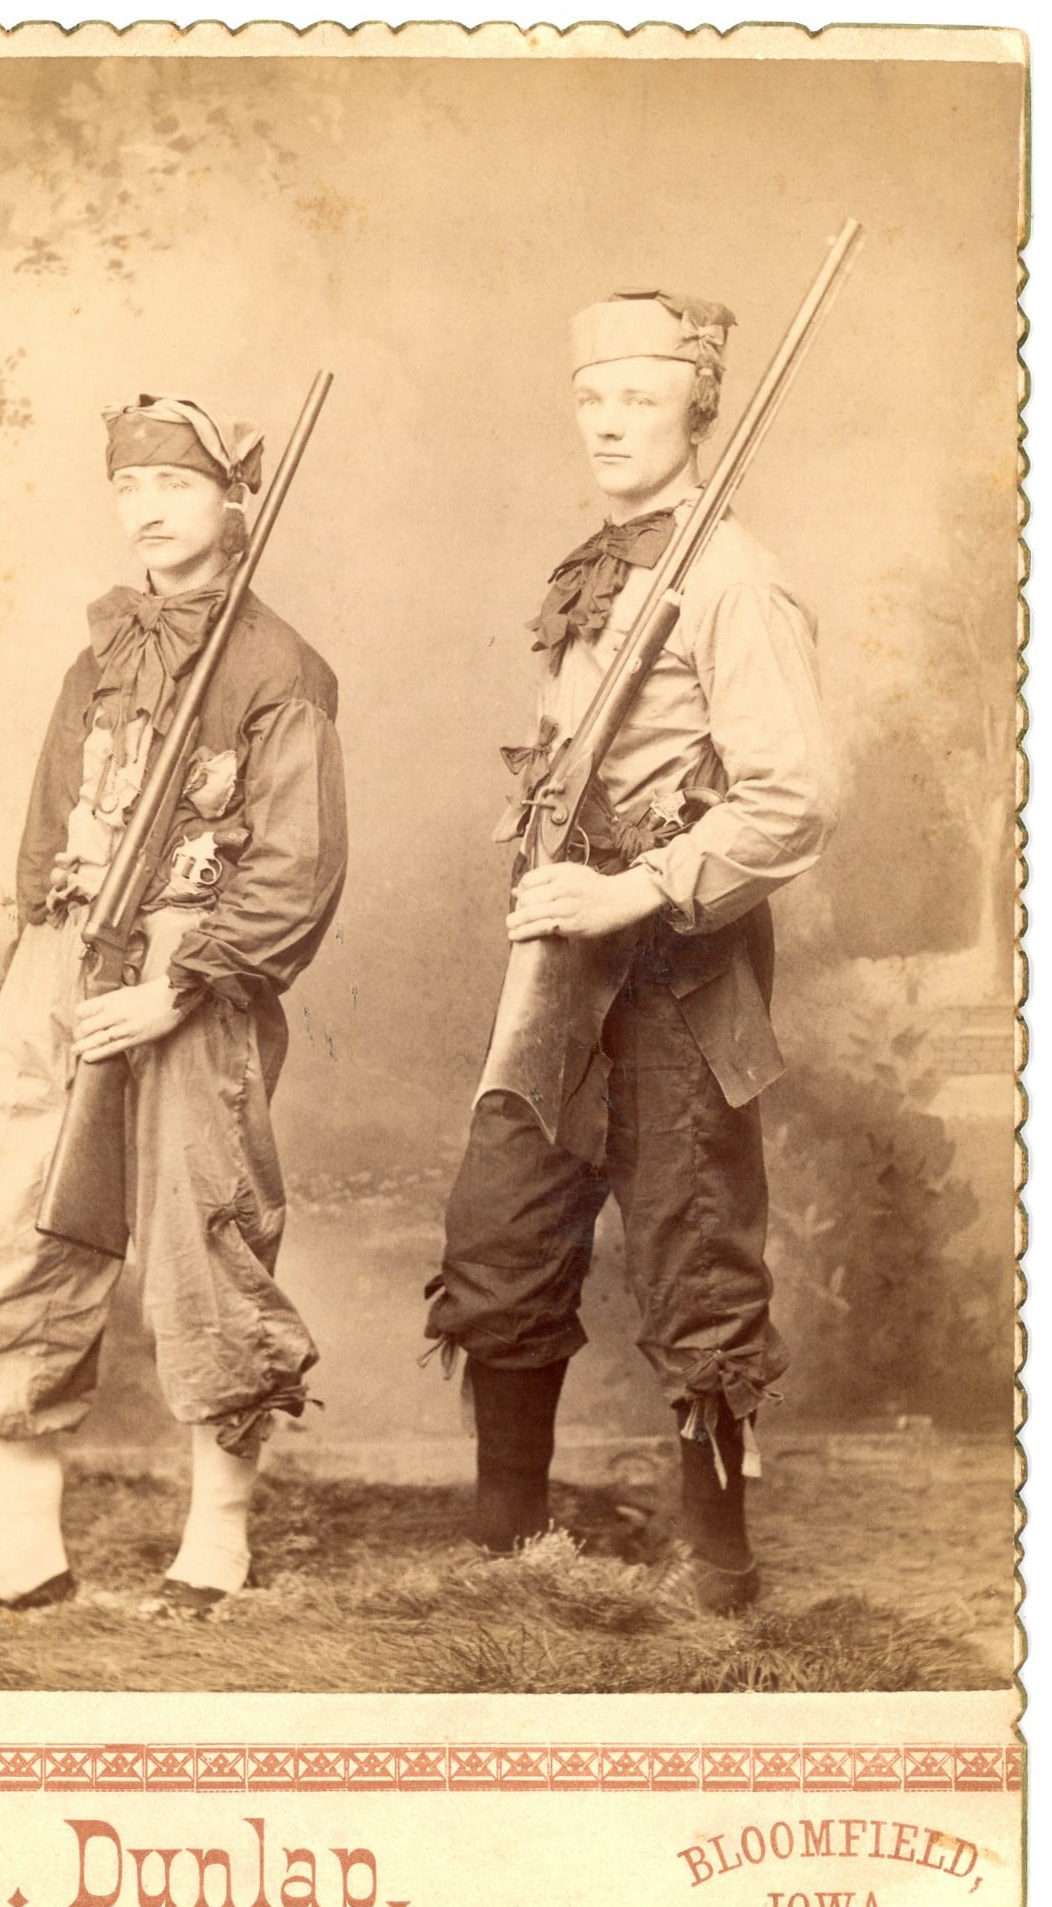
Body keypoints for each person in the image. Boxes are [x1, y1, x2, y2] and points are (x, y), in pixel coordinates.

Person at [0, 393, 347, 1617]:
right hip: (61, 964)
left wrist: (175, 986)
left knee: (208, 1244)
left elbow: (295, 868)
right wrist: (37, 958)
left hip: (195, 972)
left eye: (177, 487)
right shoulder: (98, 657)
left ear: (231, 504)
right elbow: (47, 825)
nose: (147, 510)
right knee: (7, 1228)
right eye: (130, 490)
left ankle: (218, 1539)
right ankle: (23, 1548)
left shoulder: (280, 669)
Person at [423, 291, 838, 1613]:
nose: (609, 422)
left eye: (640, 398)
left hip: (680, 966)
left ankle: (720, 1569)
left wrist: (643, 888)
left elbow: (796, 795)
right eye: (592, 397)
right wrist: (567, 891)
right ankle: (509, 1555)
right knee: (501, 1231)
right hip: (561, 958)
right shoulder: (598, 566)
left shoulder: (733, 580)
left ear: (696, 412)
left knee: (697, 1250)